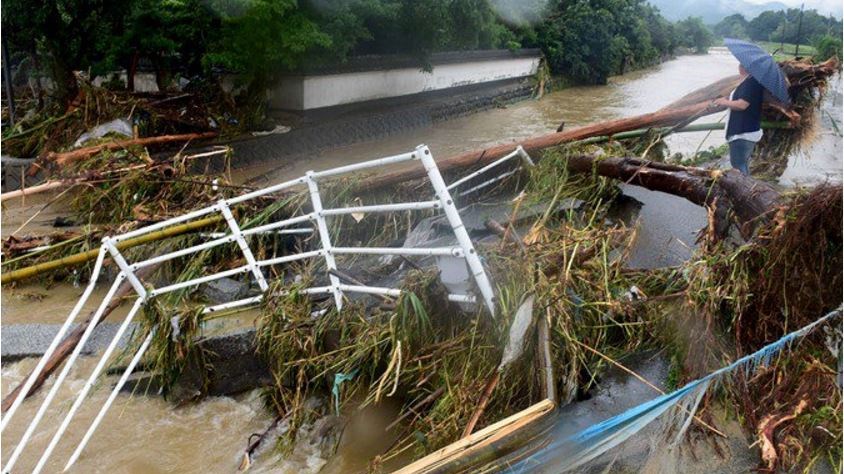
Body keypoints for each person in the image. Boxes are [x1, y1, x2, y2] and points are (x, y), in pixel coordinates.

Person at [713, 65, 765, 175]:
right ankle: (748, 185)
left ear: (744, 68)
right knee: (742, 165)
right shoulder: (749, 82)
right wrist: (727, 99)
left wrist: (724, 102)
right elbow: (743, 99)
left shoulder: (751, 83)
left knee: (739, 167)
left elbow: (742, 104)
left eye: (741, 64)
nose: (739, 66)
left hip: (742, 133)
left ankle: (744, 186)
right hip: (744, 131)